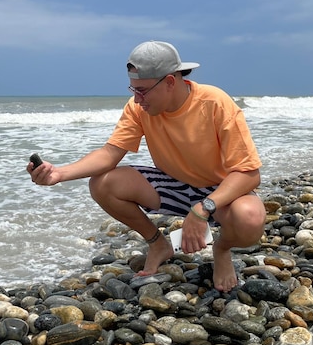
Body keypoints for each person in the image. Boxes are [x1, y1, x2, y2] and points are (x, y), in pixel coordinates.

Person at [28, 41, 265, 292]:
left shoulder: (215, 103)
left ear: (170, 82)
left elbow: (249, 173)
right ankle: (158, 243)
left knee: (250, 219)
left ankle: (221, 249)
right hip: (174, 184)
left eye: (142, 90)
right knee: (103, 183)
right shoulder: (138, 107)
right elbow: (109, 154)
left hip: (220, 192)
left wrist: (203, 208)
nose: (136, 98)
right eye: (133, 89)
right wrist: (59, 174)